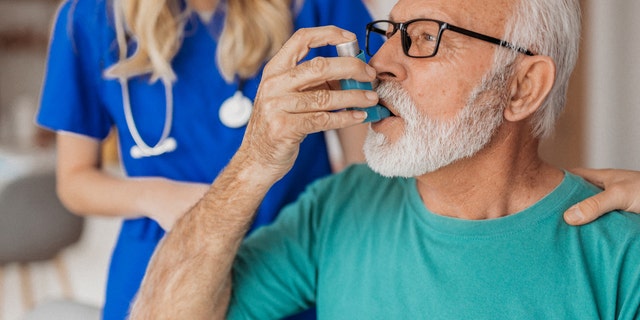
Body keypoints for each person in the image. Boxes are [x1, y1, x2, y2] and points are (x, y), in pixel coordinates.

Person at [129, 0, 640, 318]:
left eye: (424, 38)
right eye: (389, 33)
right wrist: (253, 161)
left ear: (523, 86)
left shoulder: (621, 254)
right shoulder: (339, 206)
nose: (379, 65)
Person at [35, 0, 377, 318]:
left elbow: (365, 170)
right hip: (163, 265)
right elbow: (74, 182)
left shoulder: (320, 7)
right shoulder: (89, 18)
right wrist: (157, 196)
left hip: (291, 264)